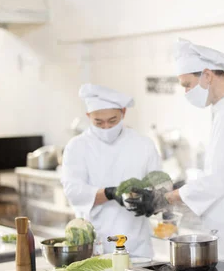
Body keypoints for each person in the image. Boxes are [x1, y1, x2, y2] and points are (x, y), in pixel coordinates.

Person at [127, 39, 224, 261]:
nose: (187, 92)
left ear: (207, 75)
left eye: (187, 85)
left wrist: (163, 199)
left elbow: (216, 179)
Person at [61, 83, 161, 256]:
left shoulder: (143, 145)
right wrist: (110, 193)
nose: (106, 127)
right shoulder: (76, 147)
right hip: (96, 244)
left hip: (137, 245)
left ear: (123, 112)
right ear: (88, 116)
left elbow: (159, 187)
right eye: (98, 122)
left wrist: (152, 201)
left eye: (112, 121)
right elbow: (73, 192)